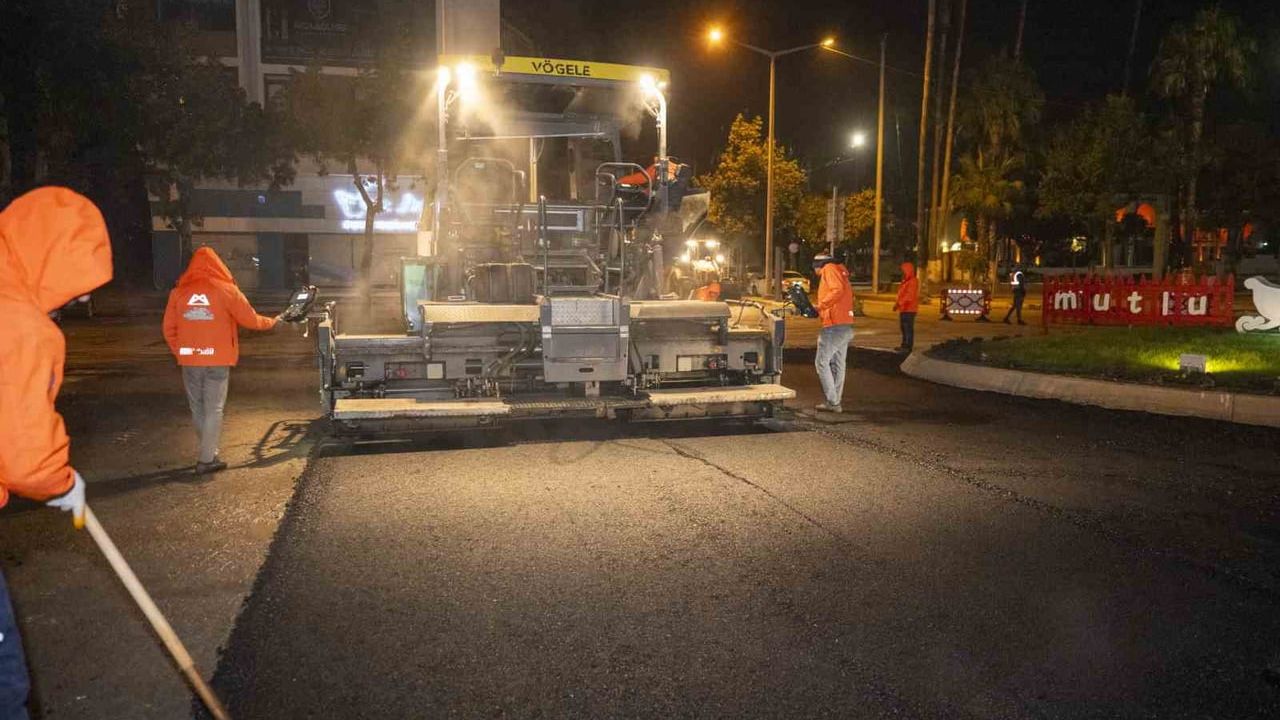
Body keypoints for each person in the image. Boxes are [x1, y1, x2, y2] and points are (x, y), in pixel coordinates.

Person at [0, 187, 113, 720]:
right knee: (5, 687)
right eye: (78, 285)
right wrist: (63, 483)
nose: (78, 299)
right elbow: (23, 454)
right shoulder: (19, 323)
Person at [163, 247, 280, 474]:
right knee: (214, 409)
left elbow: (168, 329)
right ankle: (207, 460)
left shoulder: (178, 293)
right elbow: (251, 320)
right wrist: (273, 322)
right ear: (219, 266)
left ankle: (209, 452)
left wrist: (182, 352)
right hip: (217, 360)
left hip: (190, 361)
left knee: (197, 407)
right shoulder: (227, 291)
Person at [813, 252, 854, 413]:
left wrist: (820, 306)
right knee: (838, 364)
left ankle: (833, 401)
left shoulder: (829, 268)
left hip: (834, 325)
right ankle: (835, 400)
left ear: (818, 265)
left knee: (821, 362)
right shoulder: (839, 270)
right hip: (845, 324)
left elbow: (837, 290)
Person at [894, 261, 920, 352]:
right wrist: (898, 304)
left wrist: (899, 303)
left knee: (907, 328)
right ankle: (904, 345)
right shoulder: (906, 281)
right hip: (904, 309)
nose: (902, 272)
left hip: (909, 309)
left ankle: (907, 346)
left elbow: (909, 296)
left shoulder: (913, 281)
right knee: (904, 328)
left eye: (903, 270)